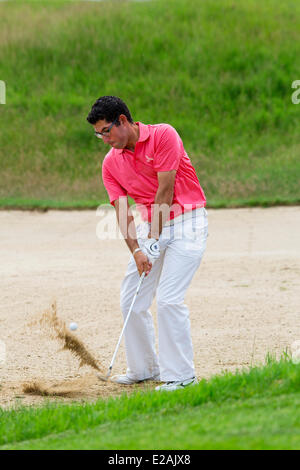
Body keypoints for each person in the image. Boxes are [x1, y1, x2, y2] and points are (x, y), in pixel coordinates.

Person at [87, 96, 208, 391]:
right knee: (131, 298)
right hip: (151, 227)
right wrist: (139, 249)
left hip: (188, 221)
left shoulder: (164, 135)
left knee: (168, 299)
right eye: (98, 134)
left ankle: (182, 376)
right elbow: (121, 212)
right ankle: (144, 368)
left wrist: (153, 239)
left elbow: (165, 190)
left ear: (123, 121)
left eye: (107, 131)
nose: (104, 139)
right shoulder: (110, 164)